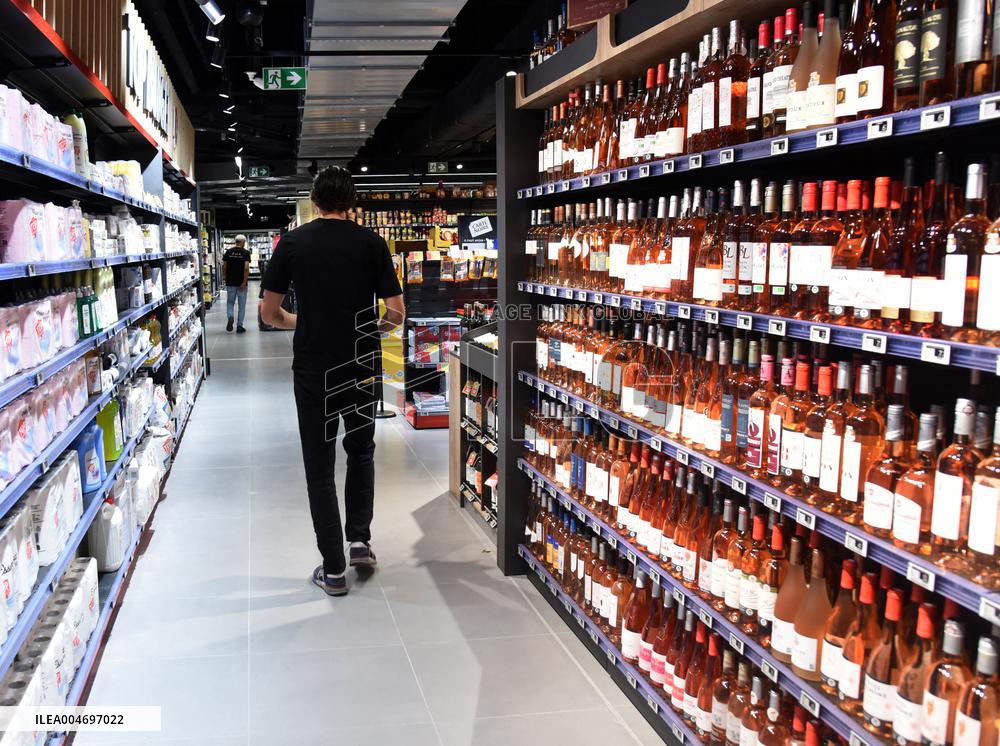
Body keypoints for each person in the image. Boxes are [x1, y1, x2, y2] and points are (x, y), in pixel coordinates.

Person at [259, 167, 405, 597]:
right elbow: (395, 313)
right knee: (361, 451)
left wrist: (300, 321)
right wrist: (365, 331)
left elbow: (268, 314)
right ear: (351, 201)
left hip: (312, 368)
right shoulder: (372, 243)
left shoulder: (293, 244)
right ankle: (359, 539)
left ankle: (334, 568)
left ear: (315, 200)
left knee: (319, 468)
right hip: (361, 365)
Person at [222, 234, 251, 333]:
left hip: (230, 282)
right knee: (241, 305)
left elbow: (224, 267)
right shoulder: (246, 253)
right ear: (243, 242)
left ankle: (230, 316)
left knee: (230, 302)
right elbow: (246, 268)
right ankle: (239, 326)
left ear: (236, 241)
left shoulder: (228, 252)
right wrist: (244, 281)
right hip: (241, 283)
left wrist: (226, 278)